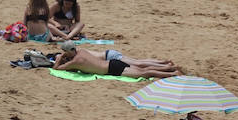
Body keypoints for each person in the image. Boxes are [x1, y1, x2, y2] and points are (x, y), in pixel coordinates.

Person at [52, 44, 180, 79]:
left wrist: (59, 59)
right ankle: (169, 69)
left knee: (144, 72)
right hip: (113, 63)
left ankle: (171, 73)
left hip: (112, 69)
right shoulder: (82, 52)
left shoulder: (75, 61)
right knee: (143, 68)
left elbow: (57, 69)